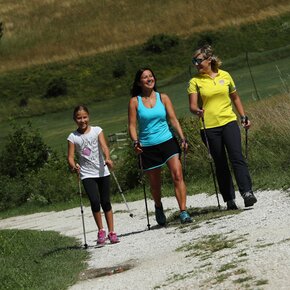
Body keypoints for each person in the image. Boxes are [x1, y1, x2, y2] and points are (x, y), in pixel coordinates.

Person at [187, 44, 257, 210]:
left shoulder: (225, 75)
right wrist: (197, 110)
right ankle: (229, 199)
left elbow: (235, 98)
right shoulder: (195, 81)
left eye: (198, 61)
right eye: (194, 61)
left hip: (228, 121)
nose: (196, 64)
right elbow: (192, 106)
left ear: (209, 59)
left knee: (237, 156)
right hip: (209, 127)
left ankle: (247, 193)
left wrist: (243, 116)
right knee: (220, 163)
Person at [128, 68, 192, 225]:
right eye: (145, 77)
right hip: (148, 146)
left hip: (167, 141)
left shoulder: (163, 98)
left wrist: (183, 137)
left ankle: (183, 211)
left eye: (151, 76)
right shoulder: (134, 102)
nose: (149, 79)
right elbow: (131, 125)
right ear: (139, 82)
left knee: (177, 174)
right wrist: (135, 142)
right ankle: (158, 206)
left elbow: (173, 119)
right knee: (155, 185)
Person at [67, 105, 120, 245]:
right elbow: (70, 157)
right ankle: (101, 230)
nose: (82, 120)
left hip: (102, 171)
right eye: (79, 118)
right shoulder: (72, 137)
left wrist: (108, 158)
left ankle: (112, 232)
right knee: (95, 201)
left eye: (85, 117)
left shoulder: (97, 130)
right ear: (74, 119)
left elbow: (104, 146)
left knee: (106, 201)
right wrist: (73, 166)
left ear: (88, 117)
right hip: (86, 174)